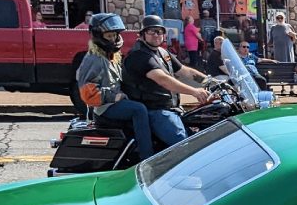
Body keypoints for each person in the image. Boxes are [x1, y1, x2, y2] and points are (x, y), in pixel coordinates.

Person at [121, 15, 212, 147]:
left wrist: (210, 81)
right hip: (155, 110)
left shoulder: (162, 52)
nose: (156, 35)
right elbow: (164, 80)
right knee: (185, 146)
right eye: (151, 31)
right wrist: (194, 91)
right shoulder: (140, 55)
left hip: (171, 108)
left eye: (159, 31)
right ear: (142, 34)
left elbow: (185, 71)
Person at [76, 13, 154, 160]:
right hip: (105, 107)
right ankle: (147, 157)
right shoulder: (94, 59)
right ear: (99, 35)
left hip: (116, 102)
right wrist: (113, 96)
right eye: (108, 36)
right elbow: (87, 92)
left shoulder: (111, 55)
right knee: (139, 110)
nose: (113, 39)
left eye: (114, 35)